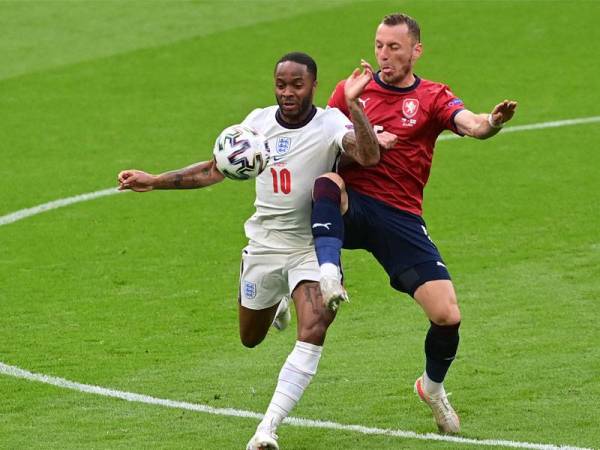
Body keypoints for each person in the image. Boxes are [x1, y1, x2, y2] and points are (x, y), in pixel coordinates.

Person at [117, 52, 379, 450]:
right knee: (250, 338)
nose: (288, 93)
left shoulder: (331, 124)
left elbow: (368, 155)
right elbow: (212, 169)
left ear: (313, 86)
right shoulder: (256, 124)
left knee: (315, 327)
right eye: (281, 85)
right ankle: (276, 303)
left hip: (311, 247)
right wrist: (153, 180)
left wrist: (356, 106)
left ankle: (267, 428)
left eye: (297, 85)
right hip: (264, 248)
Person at [310, 13, 518, 434]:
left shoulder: (432, 96)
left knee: (447, 315)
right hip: (351, 203)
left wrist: (492, 122)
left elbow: (472, 125)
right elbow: (317, 146)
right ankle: (320, 273)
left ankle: (432, 388)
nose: (383, 56)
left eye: (394, 48)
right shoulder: (350, 91)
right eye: (379, 46)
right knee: (325, 183)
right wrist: (360, 127)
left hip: (400, 216)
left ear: (415, 51)